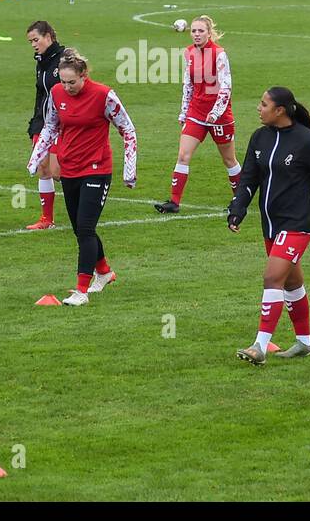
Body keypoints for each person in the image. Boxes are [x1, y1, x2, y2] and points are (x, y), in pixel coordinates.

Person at [228, 87, 310, 364]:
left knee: (272, 277)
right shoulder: (259, 138)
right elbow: (249, 179)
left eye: (263, 104)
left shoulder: (306, 142)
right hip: (271, 224)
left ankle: (260, 346)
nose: (258, 108)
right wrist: (237, 208)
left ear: (280, 111)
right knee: (291, 283)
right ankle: (304, 343)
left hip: (299, 223)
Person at [27, 49, 137, 306]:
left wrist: (129, 171)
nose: (67, 87)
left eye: (72, 82)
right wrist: (35, 160)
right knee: (79, 227)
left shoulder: (104, 96)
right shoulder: (56, 94)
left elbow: (128, 129)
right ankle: (105, 272)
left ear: (84, 75)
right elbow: (51, 126)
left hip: (97, 169)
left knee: (85, 228)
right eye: (63, 82)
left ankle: (81, 291)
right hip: (70, 169)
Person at [155, 15, 238, 213]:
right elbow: (188, 84)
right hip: (196, 113)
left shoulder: (219, 54)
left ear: (209, 33)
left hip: (219, 116)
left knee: (229, 160)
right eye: (194, 31)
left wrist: (216, 113)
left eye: (201, 31)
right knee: (183, 155)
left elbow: (226, 87)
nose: (197, 34)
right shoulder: (189, 53)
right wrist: (184, 112)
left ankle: (239, 199)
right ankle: (174, 202)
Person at [25, 20, 65, 231]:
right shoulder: (41, 61)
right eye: (31, 41)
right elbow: (41, 94)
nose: (33, 44)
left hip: (62, 121)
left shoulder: (66, 59)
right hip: (43, 122)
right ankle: (46, 219)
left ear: (48, 37)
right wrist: (35, 123)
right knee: (42, 167)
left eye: (36, 39)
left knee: (58, 171)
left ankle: (85, 199)